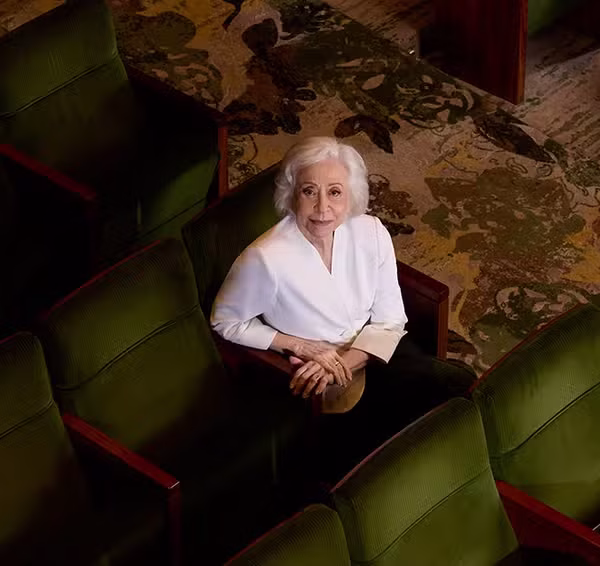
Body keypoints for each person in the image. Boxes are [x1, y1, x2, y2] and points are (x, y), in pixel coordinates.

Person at [212, 136, 475, 481]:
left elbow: (390, 319)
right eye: (309, 191)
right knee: (371, 469)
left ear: (351, 195)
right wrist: (297, 345)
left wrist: (344, 363)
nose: (322, 208)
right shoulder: (264, 258)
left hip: (373, 353)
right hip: (317, 386)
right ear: (291, 194)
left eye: (335, 192)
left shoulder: (371, 232)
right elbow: (225, 321)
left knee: (460, 388)